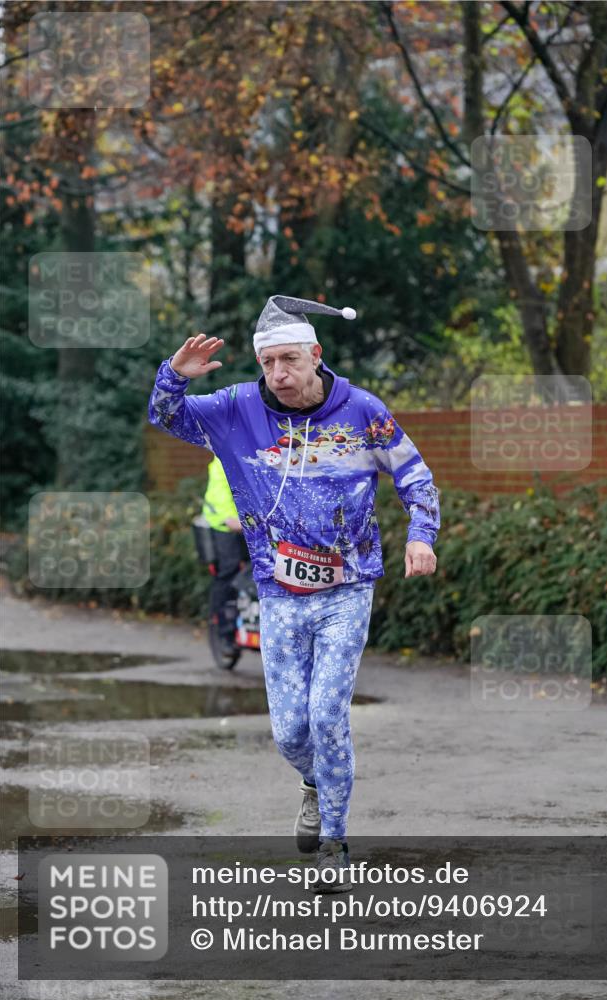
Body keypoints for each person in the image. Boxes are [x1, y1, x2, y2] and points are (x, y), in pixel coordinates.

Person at [148, 295, 440, 892]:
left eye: (288, 361)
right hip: (278, 592)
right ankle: (315, 782)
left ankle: (333, 837)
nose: (278, 375)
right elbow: (164, 415)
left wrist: (421, 536)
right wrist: (173, 376)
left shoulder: (361, 411)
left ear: (316, 355)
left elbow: (415, 474)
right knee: (289, 733)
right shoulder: (235, 409)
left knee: (327, 714)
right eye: (267, 363)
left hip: (347, 589)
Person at [202, 455, 248, 667]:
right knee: (228, 574)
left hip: (249, 525)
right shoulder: (223, 458)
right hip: (224, 526)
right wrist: (231, 518)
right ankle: (224, 633)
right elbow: (219, 493)